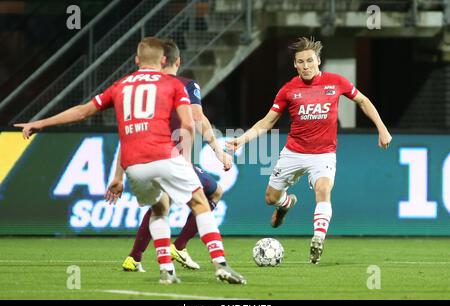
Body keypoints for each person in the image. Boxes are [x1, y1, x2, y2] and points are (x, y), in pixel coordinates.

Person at [15, 36, 246, 285]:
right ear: (165, 60)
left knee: (159, 210)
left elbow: (82, 111)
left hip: (134, 165)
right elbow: (189, 123)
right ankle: (220, 265)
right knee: (201, 202)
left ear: (137, 60)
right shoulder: (174, 84)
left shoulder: (120, 86)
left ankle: (166, 271)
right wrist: (185, 161)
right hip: (166, 155)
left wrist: (40, 122)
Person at [226, 36, 392, 264]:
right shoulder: (288, 90)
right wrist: (241, 140)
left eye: (310, 61)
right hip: (293, 153)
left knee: (323, 188)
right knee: (270, 198)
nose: (306, 66)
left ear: (318, 61)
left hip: (323, 154)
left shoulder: (336, 82)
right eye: (301, 62)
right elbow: (267, 122)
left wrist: (382, 129)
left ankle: (318, 238)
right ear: (294, 65)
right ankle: (285, 204)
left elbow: (363, 101)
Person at [106, 38, 231, 273]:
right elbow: (197, 118)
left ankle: (135, 257)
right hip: (170, 158)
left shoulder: (139, 89)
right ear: (177, 61)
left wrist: (119, 175)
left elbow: (128, 135)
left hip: (142, 157)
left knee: (160, 205)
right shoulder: (185, 85)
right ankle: (180, 247)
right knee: (212, 192)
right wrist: (218, 151)